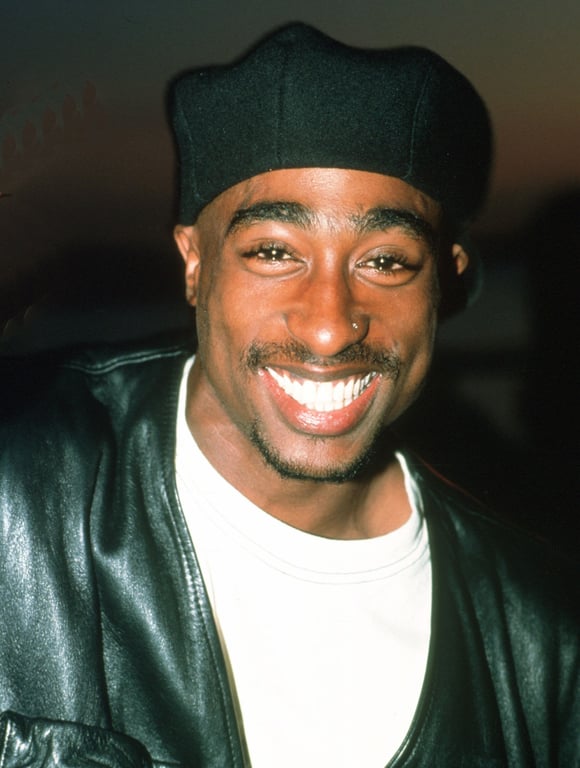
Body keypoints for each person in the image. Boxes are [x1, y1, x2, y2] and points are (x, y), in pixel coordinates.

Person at [0, 23, 577, 768]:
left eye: (387, 261)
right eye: (274, 252)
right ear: (195, 263)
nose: (330, 328)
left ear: (447, 280)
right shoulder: (18, 487)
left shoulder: (544, 645)